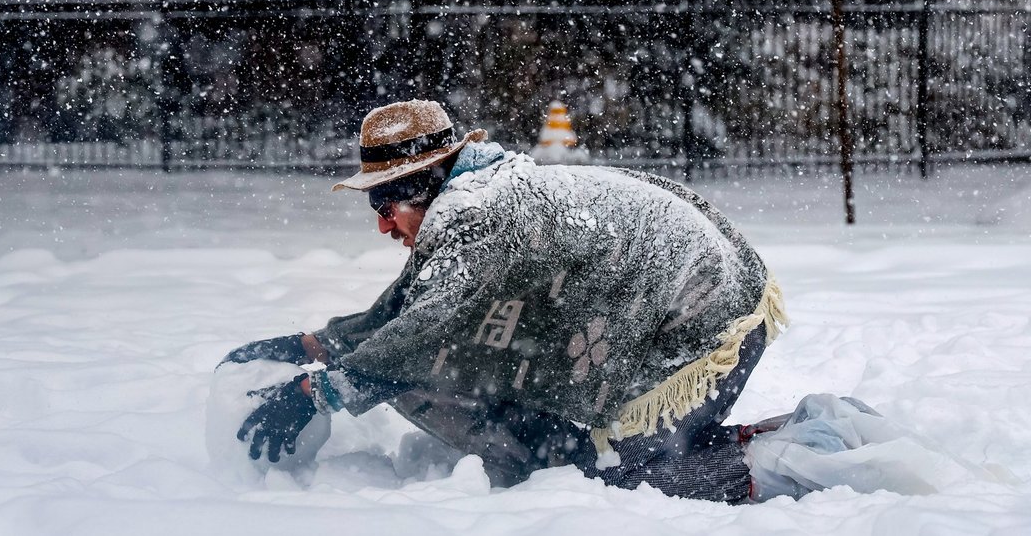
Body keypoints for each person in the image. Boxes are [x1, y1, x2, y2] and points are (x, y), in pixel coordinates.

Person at [222, 99, 788, 502]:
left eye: (385, 205)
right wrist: (314, 344)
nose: (383, 225)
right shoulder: (471, 199)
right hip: (691, 297)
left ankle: (801, 455)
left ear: (422, 185)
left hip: (708, 321)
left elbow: (426, 335)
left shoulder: (476, 214)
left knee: (618, 479)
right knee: (575, 445)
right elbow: (407, 308)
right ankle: (684, 447)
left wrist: (316, 391)